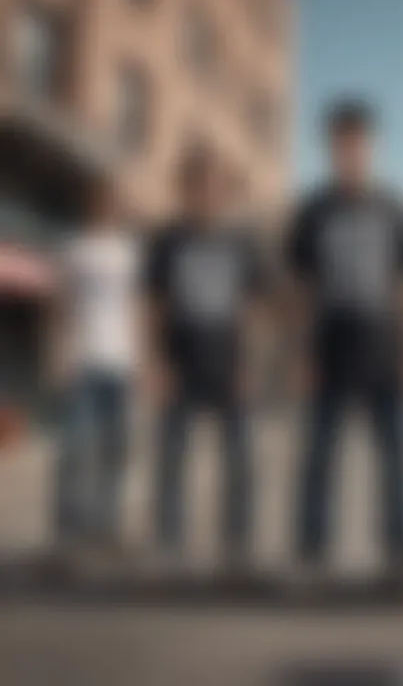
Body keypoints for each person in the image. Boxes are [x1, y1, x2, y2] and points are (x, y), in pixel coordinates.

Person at [285, 98, 403, 584]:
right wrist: (301, 354)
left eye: (358, 142)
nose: (350, 151)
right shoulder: (313, 211)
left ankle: (400, 556)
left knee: (397, 459)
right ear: (329, 148)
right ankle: (311, 556)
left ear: (372, 146)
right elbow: (303, 291)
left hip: (385, 347)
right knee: (319, 459)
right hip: (330, 347)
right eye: (340, 143)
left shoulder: (396, 209)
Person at [144, 146, 265, 565]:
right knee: (172, 459)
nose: (207, 192)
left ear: (225, 191)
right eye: (198, 184)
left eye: (215, 185)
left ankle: (236, 544)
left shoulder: (243, 242)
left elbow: (250, 311)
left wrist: (248, 365)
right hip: (180, 364)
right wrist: (156, 364)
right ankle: (168, 544)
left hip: (228, 365)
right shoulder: (167, 240)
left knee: (239, 460)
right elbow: (156, 308)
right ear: (185, 189)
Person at [52, 177, 139, 553]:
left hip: (120, 361)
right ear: (90, 206)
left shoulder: (128, 253)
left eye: (111, 202)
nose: (105, 208)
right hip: (83, 360)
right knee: (75, 446)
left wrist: (145, 362)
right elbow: (59, 306)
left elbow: (139, 310)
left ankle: (106, 524)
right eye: (100, 202)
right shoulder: (73, 250)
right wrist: (57, 354)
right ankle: (70, 526)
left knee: (114, 448)